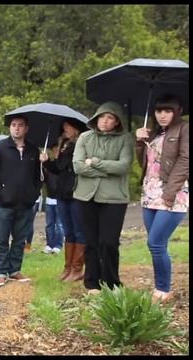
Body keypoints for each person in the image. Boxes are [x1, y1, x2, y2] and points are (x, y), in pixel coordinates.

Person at [72, 101, 134, 295]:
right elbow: (78, 166)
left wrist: (96, 163)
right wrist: (107, 170)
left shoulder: (125, 139)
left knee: (108, 242)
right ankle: (92, 283)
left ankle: (112, 283)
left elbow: (123, 166)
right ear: (96, 118)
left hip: (114, 198)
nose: (104, 121)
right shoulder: (85, 137)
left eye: (110, 118)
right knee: (90, 241)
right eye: (101, 116)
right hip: (86, 196)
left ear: (116, 122)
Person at [135, 94, 188, 304]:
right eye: (159, 111)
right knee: (157, 245)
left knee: (155, 242)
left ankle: (163, 289)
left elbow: (186, 161)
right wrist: (140, 142)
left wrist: (169, 194)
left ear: (178, 111)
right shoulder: (155, 133)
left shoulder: (184, 129)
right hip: (149, 193)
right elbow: (144, 164)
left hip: (172, 193)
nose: (162, 115)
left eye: (168, 111)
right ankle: (161, 286)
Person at [0, 116, 41, 287]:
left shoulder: (33, 150)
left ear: (26, 128)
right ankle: (1, 272)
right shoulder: (0, 148)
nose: (16, 128)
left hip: (25, 204)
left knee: (20, 239)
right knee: (1, 239)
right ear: (9, 128)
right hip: (3, 204)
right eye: (13, 125)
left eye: (20, 125)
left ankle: (15, 270)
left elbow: (37, 176)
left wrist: (33, 194)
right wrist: (0, 194)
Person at [40, 119, 86, 281]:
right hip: (62, 193)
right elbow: (59, 169)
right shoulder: (64, 144)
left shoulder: (82, 143)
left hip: (76, 192)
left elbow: (73, 166)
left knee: (79, 230)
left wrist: (62, 156)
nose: (65, 129)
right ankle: (68, 268)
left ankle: (77, 268)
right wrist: (47, 162)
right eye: (64, 126)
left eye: (68, 126)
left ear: (76, 128)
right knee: (68, 230)